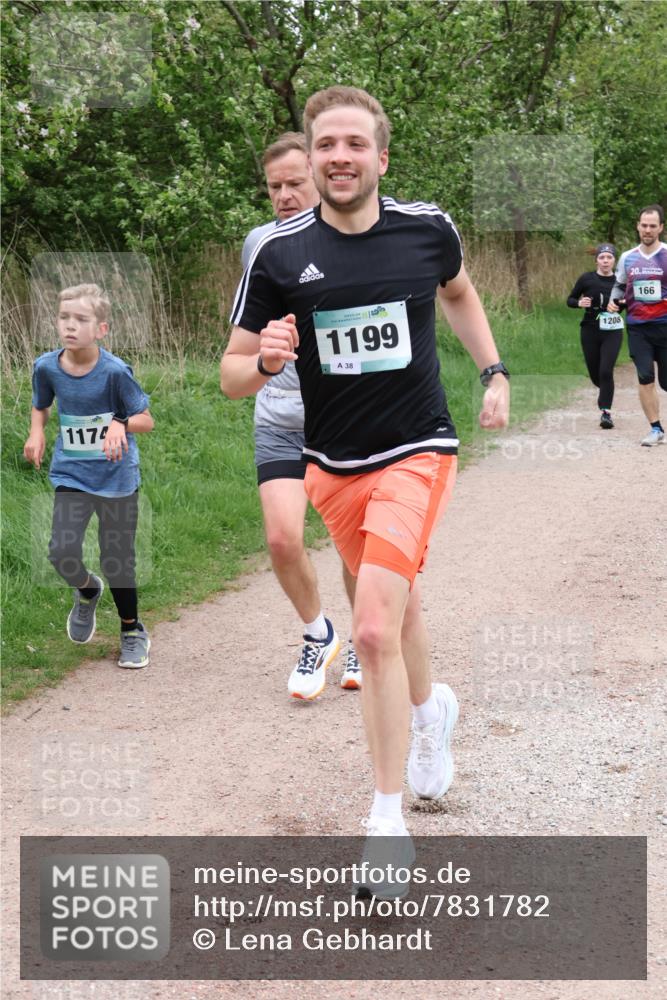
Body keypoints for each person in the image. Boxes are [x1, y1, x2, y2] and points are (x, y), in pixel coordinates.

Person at [221, 86, 509, 867]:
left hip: (418, 448)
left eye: (354, 143)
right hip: (333, 466)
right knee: (397, 602)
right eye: (325, 145)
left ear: (380, 156)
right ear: (310, 160)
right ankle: (428, 710)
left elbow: (457, 291)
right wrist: (267, 359)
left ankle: (385, 824)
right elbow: (230, 375)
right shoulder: (278, 256)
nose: (338, 156)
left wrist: (494, 370)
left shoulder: (426, 230)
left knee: (374, 626)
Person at [239, 132, 361, 699]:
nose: (285, 194)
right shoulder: (260, 245)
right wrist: (264, 355)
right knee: (283, 540)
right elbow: (241, 342)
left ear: (317, 175)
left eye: (295, 182)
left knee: (352, 544)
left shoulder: (359, 236)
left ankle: (364, 634)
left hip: (347, 417)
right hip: (281, 414)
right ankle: (319, 634)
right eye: (274, 186)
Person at [23, 283, 154, 668]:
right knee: (61, 551)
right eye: (64, 317)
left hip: (116, 479)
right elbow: (40, 404)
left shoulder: (115, 372)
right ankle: (87, 589)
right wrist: (37, 431)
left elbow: (147, 420)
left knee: (117, 559)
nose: (70, 325)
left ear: (101, 329)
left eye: (81, 319)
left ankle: (132, 630)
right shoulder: (46, 366)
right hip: (73, 474)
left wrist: (120, 424)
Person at [608, 204, 667, 446]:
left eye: (653, 226)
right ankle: (656, 429)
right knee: (645, 377)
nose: (648, 230)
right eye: (644, 225)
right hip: (638, 327)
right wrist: (614, 301)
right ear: (638, 226)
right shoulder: (627, 257)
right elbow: (620, 286)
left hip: (665, 326)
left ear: (661, 228)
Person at [567, 243, 623, 429]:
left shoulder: (621, 281)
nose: (605, 261)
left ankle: (605, 413)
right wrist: (579, 303)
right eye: (602, 257)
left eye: (609, 257)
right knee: (596, 375)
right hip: (590, 329)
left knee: (606, 371)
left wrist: (621, 304)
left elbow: (629, 302)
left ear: (614, 260)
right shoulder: (586, 279)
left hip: (612, 330)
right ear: (596, 260)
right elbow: (570, 300)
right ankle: (606, 389)